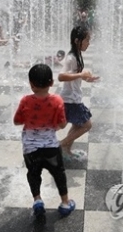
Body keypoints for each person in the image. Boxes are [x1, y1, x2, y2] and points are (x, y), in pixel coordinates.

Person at [13, 63, 76, 217]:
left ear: (31, 84)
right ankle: (65, 203)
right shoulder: (57, 101)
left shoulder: (25, 101)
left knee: (33, 174)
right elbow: (61, 124)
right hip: (51, 148)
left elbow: (17, 121)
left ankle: (38, 200)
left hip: (30, 148)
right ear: (51, 83)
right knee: (58, 174)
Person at [58, 26, 99, 161]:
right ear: (77, 41)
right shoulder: (71, 58)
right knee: (87, 125)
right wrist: (81, 74)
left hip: (73, 97)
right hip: (70, 99)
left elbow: (74, 75)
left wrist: (86, 78)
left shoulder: (77, 55)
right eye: (87, 40)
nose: (89, 43)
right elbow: (61, 76)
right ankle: (59, 145)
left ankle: (66, 150)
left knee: (77, 125)